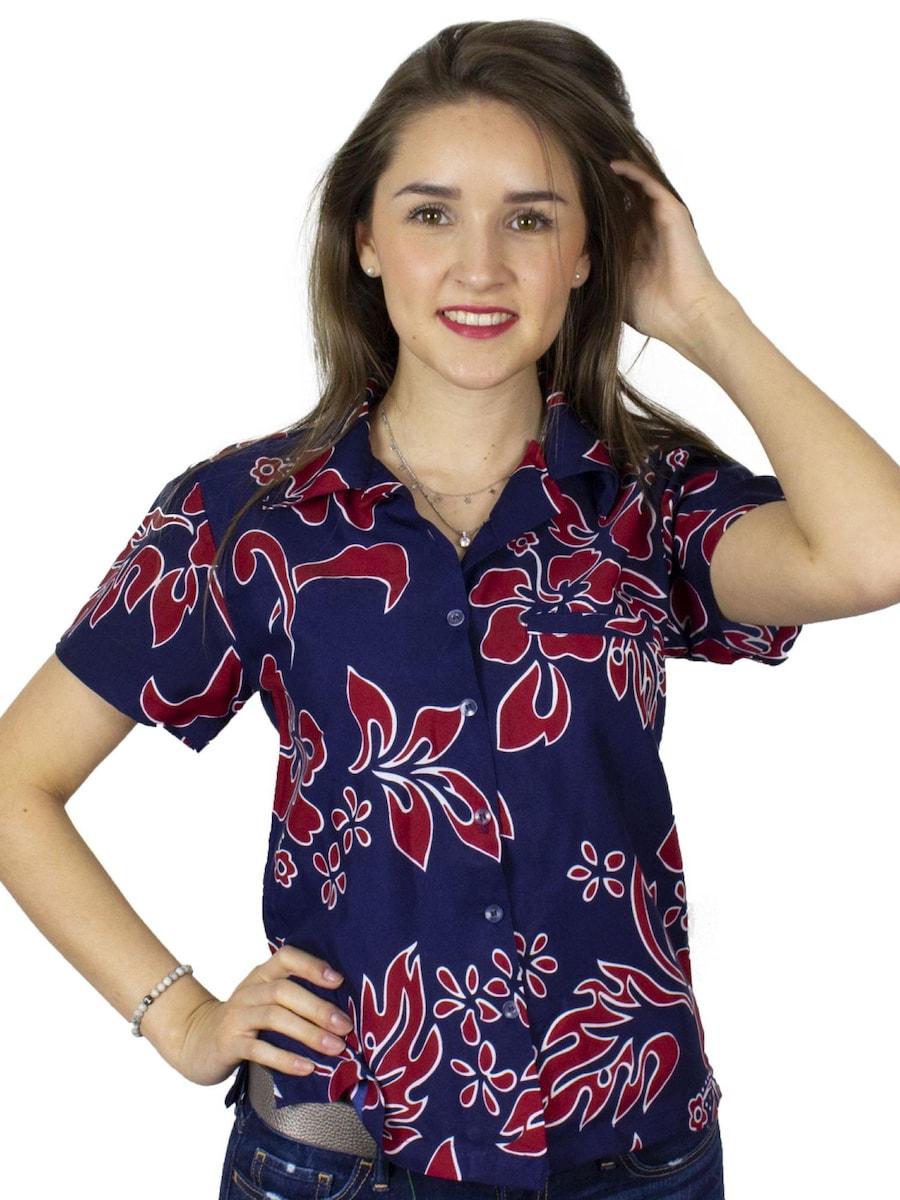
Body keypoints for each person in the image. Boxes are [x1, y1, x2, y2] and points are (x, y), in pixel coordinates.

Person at [1, 18, 899, 1200]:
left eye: (530, 219)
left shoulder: (646, 505)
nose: (480, 267)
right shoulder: (250, 518)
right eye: (431, 213)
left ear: (590, 252)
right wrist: (178, 1016)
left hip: (632, 1153)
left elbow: (873, 554)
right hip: (347, 1153)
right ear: (365, 240)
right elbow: (16, 781)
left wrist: (701, 314)